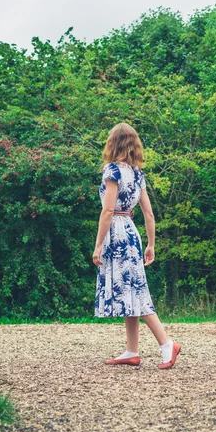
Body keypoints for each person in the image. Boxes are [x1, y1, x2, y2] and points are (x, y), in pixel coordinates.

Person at [92, 123, 181, 370]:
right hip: (131, 231)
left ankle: (167, 344)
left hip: (117, 232)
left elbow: (108, 210)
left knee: (136, 292)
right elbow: (149, 213)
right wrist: (151, 244)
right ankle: (132, 350)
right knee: (131, 290)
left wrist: (98, 245)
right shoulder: (137, 173)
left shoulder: (112, 171)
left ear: (113, 143)